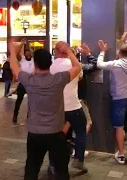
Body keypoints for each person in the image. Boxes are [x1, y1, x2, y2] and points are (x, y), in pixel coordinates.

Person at [9, 39, 81, 180]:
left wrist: (12, 50)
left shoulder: (29, 80)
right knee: (61, 171)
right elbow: (77, 67)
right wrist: (68, 51)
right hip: (56, 133)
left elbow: (14, 67)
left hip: (35, 133)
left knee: (32, 169)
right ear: (50, 63)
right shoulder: (59, 79)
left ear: (35, 64)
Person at [96, 40, 127, 164]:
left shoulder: (115, 64)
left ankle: (121, 154)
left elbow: (99, 64)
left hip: (118, 99)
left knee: (119, 127)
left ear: (119, 53)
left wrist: (102, 51)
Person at [50, 43, 89, 172]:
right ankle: (78, 159)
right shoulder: (73, 65)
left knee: (56, 136)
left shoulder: (51, 66)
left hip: (57, 107)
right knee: (81, 132)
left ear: (56, 51)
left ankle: (52, 163)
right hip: (73, 106)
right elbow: (80, 77)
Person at [12, 44, 34, 126]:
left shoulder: (34, 61)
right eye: (27, 54)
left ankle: (30, 116)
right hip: (23, 84)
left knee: (31, 101)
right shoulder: (22, 60)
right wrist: (21, 44)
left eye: (29, 54)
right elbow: (17, 54)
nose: (28, 55)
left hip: (31, 84)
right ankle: (15, 115)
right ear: (24, 55)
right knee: (19, 100)